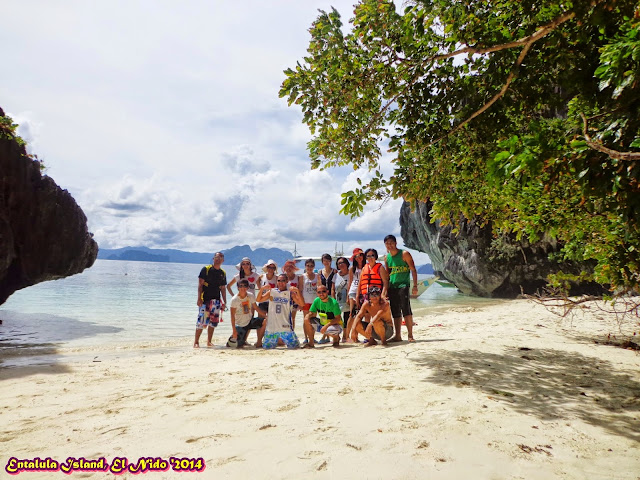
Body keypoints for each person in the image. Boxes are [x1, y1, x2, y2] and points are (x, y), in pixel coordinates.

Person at [384, 234, 419, 342]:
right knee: (395, 312)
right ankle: (398, 335)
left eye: (391, 243)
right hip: (392, 286)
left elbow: (413, 270)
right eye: (387, 244)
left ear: (395, 243)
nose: (389, 245)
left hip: (403, 285)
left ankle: (410, 335)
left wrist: (415, 286)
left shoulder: (404, 254)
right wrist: (385, 290)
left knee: (406, 309)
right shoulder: (387, 257)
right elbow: (387, 274)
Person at [256, 273, 304, 349]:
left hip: (286, 326)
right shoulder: (272, 292)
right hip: (272, 327)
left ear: (287, 281)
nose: (280, 283)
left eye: (283, 281)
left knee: (294, 347)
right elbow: (258, 299)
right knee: (267, 348)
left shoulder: (290, 293)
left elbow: (301, 303)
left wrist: (297, 291)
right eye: (279, 280)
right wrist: (262, 289)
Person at [194, 252, 227, 348]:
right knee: (201, 321)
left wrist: (224, 302)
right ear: (213, 259)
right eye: (216, 257)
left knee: (213, 322)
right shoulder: (206, 269)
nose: (218, 259)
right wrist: (199, 298)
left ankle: (209, 341)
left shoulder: (222, 273)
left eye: (220, 257)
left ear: (223, 260)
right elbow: (200, 285)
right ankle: (196, 342)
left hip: (216, 300)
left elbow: (223, 288)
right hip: (205, 300)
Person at [229, 279, 267, 348]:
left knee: (265, 321)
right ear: (237, 287)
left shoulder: (251, 295)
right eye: (241, 286)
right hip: (240, 325)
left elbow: (256, 308)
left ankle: (259, 342)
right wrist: (234, 330)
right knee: (237, 346)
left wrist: (265, 316)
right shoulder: (234, 300)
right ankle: (241, 339)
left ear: (248, 287)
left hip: (250, 321)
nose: (243, 288)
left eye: (245, 286)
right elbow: (232, 316)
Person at [346, 248, 365, 341]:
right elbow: (350, 282)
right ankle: (347, 336)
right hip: (353, 291)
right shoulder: (352, 269)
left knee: (363, 314)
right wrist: (347, 296)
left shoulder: (367, 266)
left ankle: (359, 335)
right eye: (356, 256)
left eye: (360, 255)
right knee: (352, 314)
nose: (359, 257)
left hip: (364, 291)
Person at [333, 256, 351, 342]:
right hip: (338, 300)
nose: (341, 265)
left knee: (347, 318)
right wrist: (333, 299)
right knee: (338, 318)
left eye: (342, 262)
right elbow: (333, 289)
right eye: (339, 263)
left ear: (347, 264)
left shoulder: (351, 274)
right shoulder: (336, 275)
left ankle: (345, 336)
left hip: (348, 300)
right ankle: (337, 336)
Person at [300, 258, 319, 344]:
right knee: (306, 320)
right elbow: (300, 290)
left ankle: (312, 337)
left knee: (313, 320)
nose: (309, 267)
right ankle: (306, 338)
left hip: (314, 301)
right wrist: (300, 302)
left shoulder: (317, 276)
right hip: (305, 301)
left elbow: (319, 288)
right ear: (305, 266)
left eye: (311, 266)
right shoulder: (302, 276)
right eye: (308, 266)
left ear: (314, 266)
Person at [282, 260, 303, 329]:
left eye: (290, 267)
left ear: (294, 268)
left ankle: (292, 332)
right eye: (287, 267)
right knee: (284, 318)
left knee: (292, 318)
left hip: (295, 301)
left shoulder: (298, 278)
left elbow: (300, 290)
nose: (288, 269)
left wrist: (300, 303)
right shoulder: (282, 278)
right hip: (284, 300)